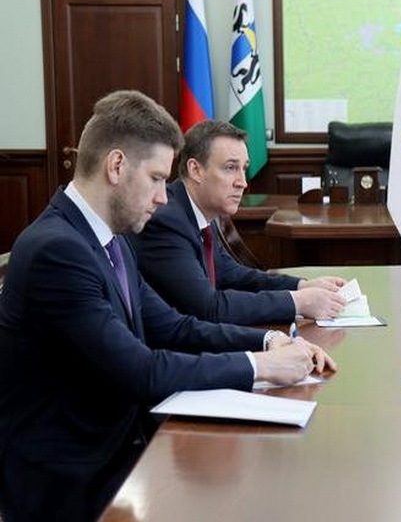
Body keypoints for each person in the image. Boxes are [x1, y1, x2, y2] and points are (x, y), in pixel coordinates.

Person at [0, 91, 335, 521]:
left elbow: (175, 327)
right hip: (72, 480)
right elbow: (140, 370)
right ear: (116, 166)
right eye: (157, 178)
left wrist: (268, 341)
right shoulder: (57, 251)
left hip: (121, 450)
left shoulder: (111, 238)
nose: (164, 197)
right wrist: (260, 366)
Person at [131, 120, 346, 325]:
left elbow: (231, 274)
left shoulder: (202, 210)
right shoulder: (166, 221)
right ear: (196, 170)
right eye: (230, 167)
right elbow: (209, 308)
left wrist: (301, 286)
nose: (242, 182)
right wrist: (298, 302)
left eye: (244, 168)